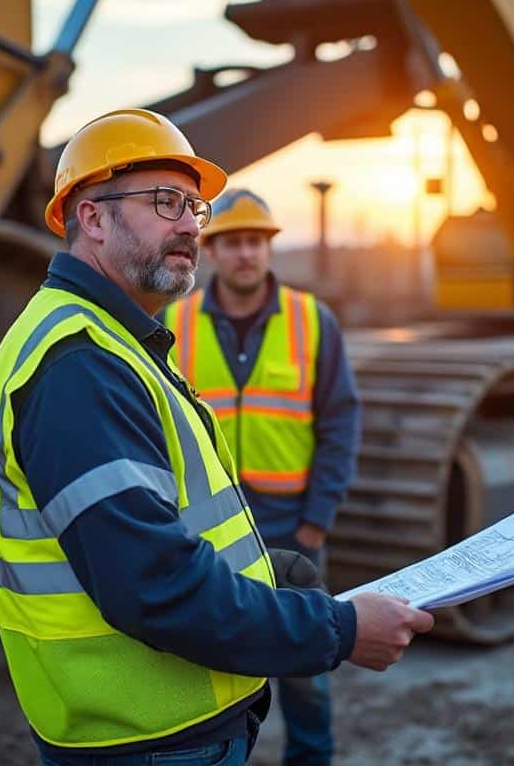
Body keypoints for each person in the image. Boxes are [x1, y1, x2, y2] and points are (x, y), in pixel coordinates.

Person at [0, 109, 432, 765]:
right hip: (146, 740)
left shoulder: (114, 342)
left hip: (162, 729)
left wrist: (266, 569)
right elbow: (155, 586)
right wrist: (342, 629)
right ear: (92, 218)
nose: (191, 224)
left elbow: (160, 525)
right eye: (166, 201)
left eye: (195, 207)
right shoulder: (80, 365)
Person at [163, 188, 358, 765]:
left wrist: (316, 523)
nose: (245, 253)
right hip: (206, 534)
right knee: (207, 674)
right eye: (231, 243)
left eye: (255, 241)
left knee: (306, 673)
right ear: (212, 250)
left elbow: (340, 425)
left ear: (269, 248)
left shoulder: (312, 321)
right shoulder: (174, 322)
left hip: (291, 528)